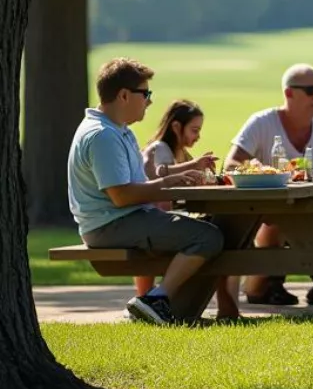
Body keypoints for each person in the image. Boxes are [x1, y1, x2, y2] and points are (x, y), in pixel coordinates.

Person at [67, 58, 222, 325]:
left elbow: (140, 180)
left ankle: (164, 305)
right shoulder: (103, 136)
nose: (149, 101)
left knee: (209, 228)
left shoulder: (119, 132)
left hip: (122, 220)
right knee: (208, 237)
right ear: (124, 95)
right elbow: (122, 196)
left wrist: (180, 173)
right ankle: (155, 301)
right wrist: (169, 185)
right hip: (111, 224)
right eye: (145, 94)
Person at [228, 63, 313, 306]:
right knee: (276, 223)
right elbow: (231, 164)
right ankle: (266, 286)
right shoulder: (262, 123)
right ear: (288, 93)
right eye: (309, 90)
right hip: (265, 212)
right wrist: (265, 172)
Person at [139, 99, 240, 320]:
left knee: (229, 233)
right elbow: (152, 173)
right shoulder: (159, 149)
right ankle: (149, 299)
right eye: (194, 130)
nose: (198, 136)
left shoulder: (182, 153)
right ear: (176, 127)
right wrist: (193, 167)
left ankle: (226, 306)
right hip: (152, 221)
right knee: (216, 234)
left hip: (169, 219)